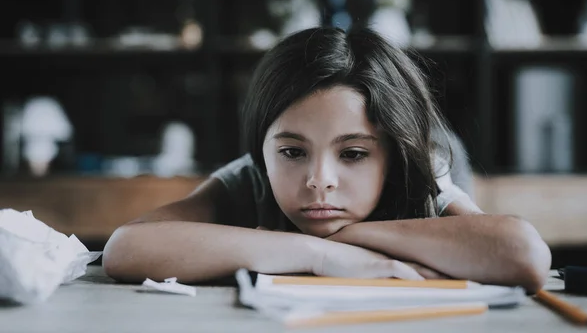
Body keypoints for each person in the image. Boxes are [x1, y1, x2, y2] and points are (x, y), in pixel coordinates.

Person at [102, 27, 551, 293]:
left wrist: (352, 234)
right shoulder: (250, 177)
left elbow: (524, 254)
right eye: (292, 152)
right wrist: (315, 253)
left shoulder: (421, 174)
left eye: (353, 154)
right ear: (262, 148)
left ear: (393, 156)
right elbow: (125, 249)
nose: (319, 180)